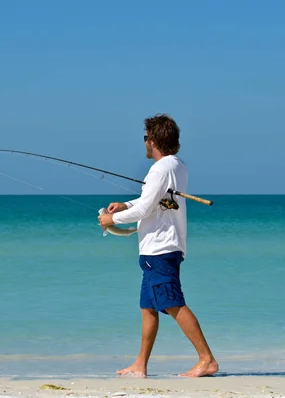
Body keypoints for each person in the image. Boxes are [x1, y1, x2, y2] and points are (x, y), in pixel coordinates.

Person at [98, 113, 219, 378]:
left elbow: (145, 207)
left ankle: (206, 359)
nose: (144, 143)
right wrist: (125, 205)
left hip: (160, 249)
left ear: (153, 141)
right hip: (160, 249)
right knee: (148, 307)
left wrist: (112, 218)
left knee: (173, 303)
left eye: (145, 138)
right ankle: (140, 364)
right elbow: (155, 200)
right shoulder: (177, 166)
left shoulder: (160, 168)